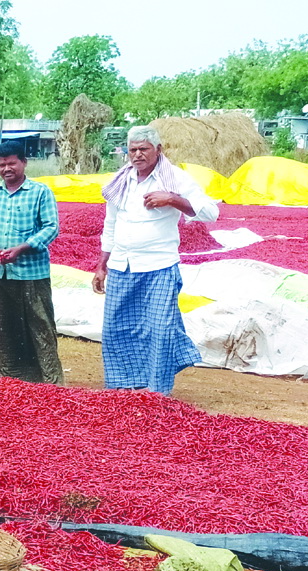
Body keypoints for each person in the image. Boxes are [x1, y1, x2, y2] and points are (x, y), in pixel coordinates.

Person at [93, 125, 219, 394]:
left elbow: (210, 212)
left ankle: (157, 391)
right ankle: (122, 387)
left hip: (159, 266)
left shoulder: (174, 179)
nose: (137, 155)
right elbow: (111, 224)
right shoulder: (121, 181)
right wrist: (101, 265)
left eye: (143, 149)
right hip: (122, 266)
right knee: (117, 329)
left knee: (159, 330)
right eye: (133, 150)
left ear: (158, 150)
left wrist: (172, 199)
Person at [0, 141, 63, 385]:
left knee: (39, 325)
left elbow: (51, 227)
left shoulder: (40, 192)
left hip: (31, 273)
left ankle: (47, 380)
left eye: (12, 162)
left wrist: (22, 248)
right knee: (0, 328)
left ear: (24, 162)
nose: (6, 168)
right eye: (2, 164)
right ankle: (2, 378)